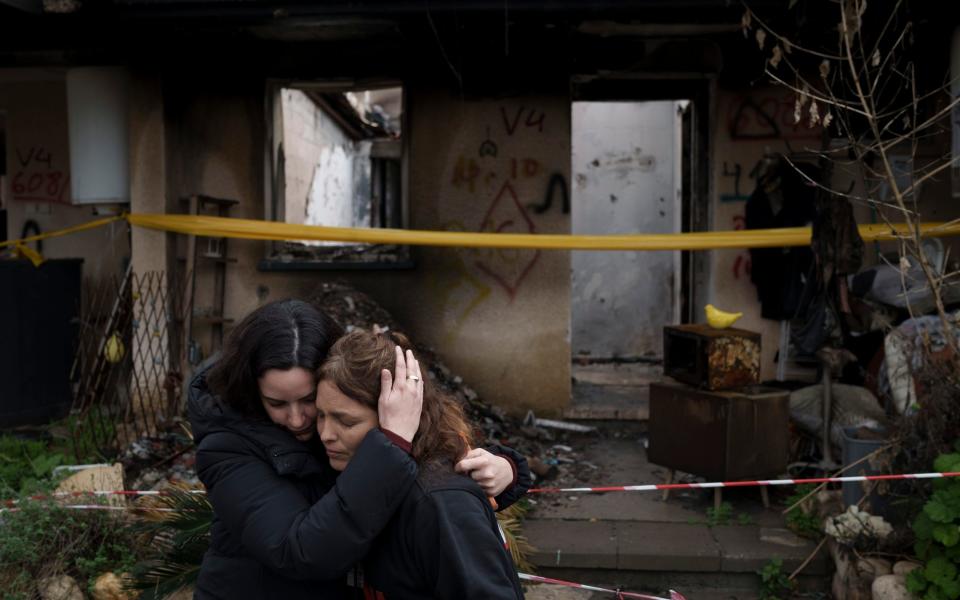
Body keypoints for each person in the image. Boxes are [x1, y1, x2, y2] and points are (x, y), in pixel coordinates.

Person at [188, 299, 529, 599]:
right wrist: (390, 445)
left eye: (310, 401)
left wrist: (505, 469)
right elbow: (301, 551)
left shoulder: (376, 445)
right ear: (251, 389)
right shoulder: (227, 446)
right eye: (276, 403)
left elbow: (434, 494)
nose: (298, 420)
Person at [316, 329, 529, 600]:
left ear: (399, 415)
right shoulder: (350, 470)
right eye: (320, 415)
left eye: (346, 422)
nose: (325, 434)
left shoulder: (437, 503)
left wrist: (510, 468)